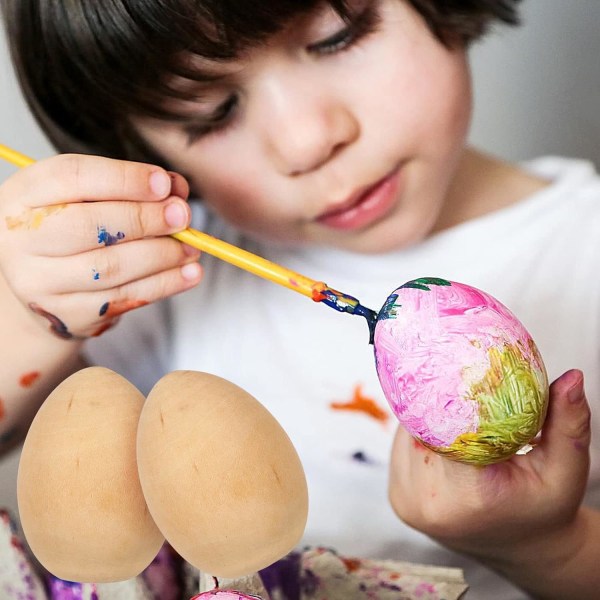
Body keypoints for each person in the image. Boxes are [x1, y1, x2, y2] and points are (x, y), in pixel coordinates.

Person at [0, 0, 598, 597]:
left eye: (337, 38)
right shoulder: (169, 275)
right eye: (213, 113)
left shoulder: (584, 250)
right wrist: (31, 316)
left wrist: (548, 546)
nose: (306, 141)